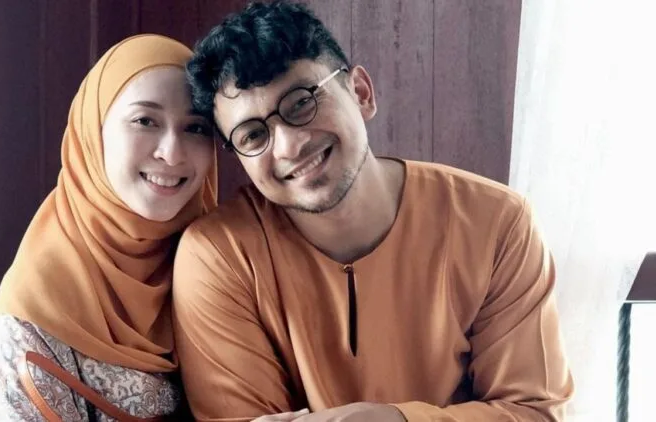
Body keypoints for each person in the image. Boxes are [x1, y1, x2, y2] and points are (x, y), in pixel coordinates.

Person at [171, 2, 574, 421]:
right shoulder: (219, 255)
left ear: (361, 93)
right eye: (253, 135)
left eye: (302, 103)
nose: (289, 146)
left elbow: (535, 412)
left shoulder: (497, 223)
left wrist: (397, 419)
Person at [0, 34, 217, 421]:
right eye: (145, 121)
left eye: (197, 128)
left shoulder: (223, 265)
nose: (171, 153)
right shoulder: (38, 305)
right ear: (93, 131)